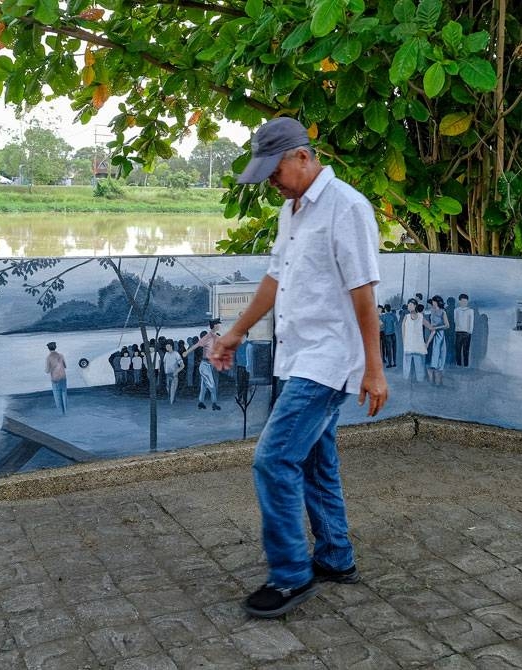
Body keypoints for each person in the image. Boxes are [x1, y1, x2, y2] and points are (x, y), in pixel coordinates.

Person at [208, 116, 388, 618]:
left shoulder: (346, 208)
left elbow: (364, 295)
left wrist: (373, 369)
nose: (271, 183)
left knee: (273, 459)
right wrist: (236, 332)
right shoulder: (294, 210)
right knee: (313, 460)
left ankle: (290, 576)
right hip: (298, 354)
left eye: (274, 172)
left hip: (329, 361)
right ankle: (335, 558)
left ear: (303, 157)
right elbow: (274, 280)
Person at [188, 318, 223, 410]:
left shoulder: (214, 337)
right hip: (205, 365)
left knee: (204, 386)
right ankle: (214, 404)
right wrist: (187, 352)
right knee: (212, 386)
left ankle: (201, 402)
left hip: (208, 365)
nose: (219, 326)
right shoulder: (208, 337)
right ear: (214, 326)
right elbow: (196, 345)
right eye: (218, 324)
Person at [400, 298, 427, 382]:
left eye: (411, 305)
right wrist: (404, 341)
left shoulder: (421, 316)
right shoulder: (406, 317)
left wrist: (426, 343)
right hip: (408, 344)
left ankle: (420, 380)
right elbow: (403, 330)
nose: (409, 306)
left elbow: (430, 328)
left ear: (415, 306)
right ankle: (406, 379)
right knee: (407, 363)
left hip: (418, 345)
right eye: (408, 304)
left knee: (418, 363)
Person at [425, 295, 449, 386]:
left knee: (439, 355)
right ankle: (431, 382)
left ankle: (438, 382)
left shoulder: (443, 312)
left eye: (434, 302)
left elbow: (447, 325)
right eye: (433, 302)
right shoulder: (431, 311)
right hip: (432, 334)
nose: (433, 303)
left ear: (438, 302)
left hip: (439, 335)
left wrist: (436, 327)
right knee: (430, 356)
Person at [44, 341, 68, 414]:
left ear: (48, 348)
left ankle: (61, 413)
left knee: (57, 396)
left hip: (55, 379)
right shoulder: (61, 355)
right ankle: (65, 411)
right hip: (63, 377)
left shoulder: (48, 358)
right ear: (55, 347)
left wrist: (49, 369)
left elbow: (47, 371)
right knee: (64, 394)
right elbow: (65, 366)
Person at [454, 293, 474, 367]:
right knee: (457, 350)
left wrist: (470, 332)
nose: (464, 303)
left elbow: (471, 322)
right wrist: (457, 329)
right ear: (459, 301)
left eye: (466, 301)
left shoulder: (470, 310)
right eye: (463, 301)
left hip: (467, 333)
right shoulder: (456, 310)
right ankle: (458, 364)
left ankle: (466, 365)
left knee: (466, 350)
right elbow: (455, 320)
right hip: (458, 332)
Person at [380, 303, 397, 368]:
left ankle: (390, 363)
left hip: (387, 335)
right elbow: (396, 323)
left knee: (389, 350)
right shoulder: (393, 315)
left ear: (385, 309)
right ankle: (395, 362)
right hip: (393, 334)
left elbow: (381, 325)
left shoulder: (383, 316)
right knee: (394, 349)